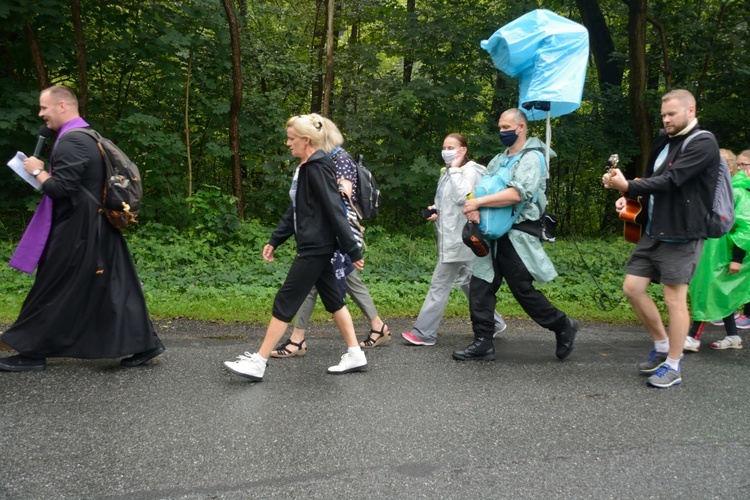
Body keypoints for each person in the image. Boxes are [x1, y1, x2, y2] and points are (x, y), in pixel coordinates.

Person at [0, 85, 164, 372]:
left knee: (52, 286)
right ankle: (146, 344)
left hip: (79, 230)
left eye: (44, 108)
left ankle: (32, 352)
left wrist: (37, 170)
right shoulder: (87, 135)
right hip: (96, 226)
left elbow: (61, 190)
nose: (41, 114)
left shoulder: (72, 142)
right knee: (114, 286)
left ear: (62, 106)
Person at [223, 114, 367, 381]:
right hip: (316, 245)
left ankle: (258, 361)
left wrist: (353, 250)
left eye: (291, 139)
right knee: (334, 301)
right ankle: (355, 353)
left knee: (286, 299)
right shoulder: (306, 167)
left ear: (306, 139)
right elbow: (296, 210)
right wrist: (275, 239)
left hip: (316, 246)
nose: (287, 143)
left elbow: (335, 211)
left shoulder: (318, 167)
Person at [603, 89, 721, 388]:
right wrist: (628, 196)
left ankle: (673, 365)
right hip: (654, 229)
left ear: (691, 111)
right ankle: (661, 345)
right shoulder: (663, 141)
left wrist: (628, 185)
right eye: (663, 115)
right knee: (632, 288)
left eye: (672, 114)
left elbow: (673, 180)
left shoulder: (703, 142)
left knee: (674, 299)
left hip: (683, 233)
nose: (666, 120)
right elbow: (649, 181)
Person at [454, 109, 578, 362]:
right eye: (500, 127)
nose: (502, 132)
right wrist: (473, 206)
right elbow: (478, 188)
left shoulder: (532, 159)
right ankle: (483, 343)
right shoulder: (500, 159)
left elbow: (517, 195)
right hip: (491, 233)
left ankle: (562, 324)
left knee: (521, 288)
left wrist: (479, 202)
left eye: (507, 127)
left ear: (521, 127)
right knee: (481, 285)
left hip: (518, 233)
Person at [271, 118, 389, 358]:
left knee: (323, 286)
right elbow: (297, 206)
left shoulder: (336, 160)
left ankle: (297, 340)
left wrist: (350, 246)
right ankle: (370, 333)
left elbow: (339, 203)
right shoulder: (314, 161)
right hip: (327, 235)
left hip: (332, 233)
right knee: (337, 288)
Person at [401, 133, 506, 347]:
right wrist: (436, 210)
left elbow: (464, 197)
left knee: (439, 285)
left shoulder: (471, 171)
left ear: (463, 150)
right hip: (452, 239)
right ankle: (494, 322)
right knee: (468, 282)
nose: (446, 151)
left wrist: (456, 169)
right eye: (444, 146)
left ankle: (424, 333)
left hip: (461, 239)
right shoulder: (449, 171)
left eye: (451, 147)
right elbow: (449, 203)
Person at [684, 148, 750, 351]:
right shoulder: (719, 189)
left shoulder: (737, 191)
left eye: (742, 165)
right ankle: (732, 336)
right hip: (713, 251)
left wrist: (737, 257)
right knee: (720, 293)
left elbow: (746, 226)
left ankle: (692, 337)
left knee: (710, 290)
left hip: (725, 253)